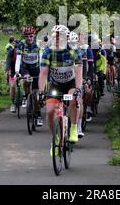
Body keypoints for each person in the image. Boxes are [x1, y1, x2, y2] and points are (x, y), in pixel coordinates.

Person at [38, 25, 82, 155]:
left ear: (66, 38)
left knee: (73, 98)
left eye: (58, 37)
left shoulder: (74, 51)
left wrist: (78, 89)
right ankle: (56, 138)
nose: (55, 40)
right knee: (50, 112)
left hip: (71, 83)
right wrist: (41, 91)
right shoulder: (48, 52)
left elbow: (79, 73)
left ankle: (73, 128)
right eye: (54, 37)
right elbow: (43, 74)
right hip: (56, 84)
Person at [13, 25, 42, 126]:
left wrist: (42, 72)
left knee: (37, 96)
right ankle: (25, 96)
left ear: (34, 36)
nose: (29, 38)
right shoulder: (21, 45)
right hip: (25, 68)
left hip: (36, 68)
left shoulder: (38, 44)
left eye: (31, 36)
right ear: (24, 37)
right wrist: (17, 72)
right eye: (27, 36)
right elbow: (18, 59)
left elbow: (41, 58)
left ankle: (38, 116)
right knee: (26, 79)